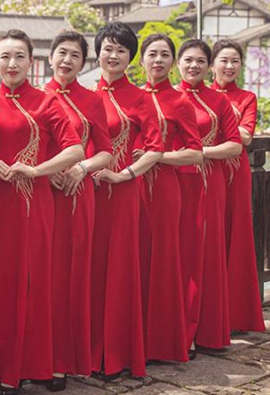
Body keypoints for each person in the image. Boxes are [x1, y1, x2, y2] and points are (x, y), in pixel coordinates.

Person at [0, 29, 83, 394]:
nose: (12, 64)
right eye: (5, 57)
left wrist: (37, 170)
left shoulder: (46, 102)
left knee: (36, 281)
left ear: (31, 62)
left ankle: (37, 364)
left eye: (19, 57)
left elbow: (75, 149)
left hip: (34, 203)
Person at [91, 21, 163, 379]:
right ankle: (83, 351)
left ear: (130, 58)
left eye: (121, 50)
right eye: (108, 47)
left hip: (120, 194)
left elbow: (155, 149)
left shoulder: (140, 98)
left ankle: (115, 354)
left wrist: (124, 175)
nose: (113, 55)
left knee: (118, 271)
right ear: (98, 52)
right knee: (86, 269)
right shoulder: (86, 95)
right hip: (84, 194)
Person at [42, 30, 112, 390]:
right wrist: (46, 171)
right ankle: (34, 357)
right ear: (50, 56)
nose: (67, 60)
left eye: (75, 55)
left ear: (83, 63)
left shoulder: (92, 100)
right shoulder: (35, 97)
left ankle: (62, 362)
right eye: (61, 53)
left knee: (71, 276)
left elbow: (106, 151)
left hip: (77, 193)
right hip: (40, 194)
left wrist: (82, 168)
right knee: (40, 277)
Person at [136, 34, 202, 363]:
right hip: (127, 188)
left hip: (163, 189)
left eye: (165, 55)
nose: (158, 60)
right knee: (134, 261)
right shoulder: (130, 97)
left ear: (173, 62)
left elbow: (194, 153)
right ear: (141, 59)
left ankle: (163, 341)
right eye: (152, 54)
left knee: (163, 262)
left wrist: (157, 156)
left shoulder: (179, 102)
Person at [175, 39, 242, 354]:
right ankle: (173, 330)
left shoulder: (218, 101)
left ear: (208, 65)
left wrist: (197, 152)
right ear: (178, 63)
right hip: (171, 182)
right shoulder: (164, 97)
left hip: (208, 182)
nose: (194, 66)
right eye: (188, 60)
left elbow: (235, 145)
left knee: (205, 254)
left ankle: (203, 331)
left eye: (201, 61)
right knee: (175, 255)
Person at [210, 39, 266, 334]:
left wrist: (213, 113)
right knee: (208, 236)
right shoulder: (198, 95)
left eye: (235, 61)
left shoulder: (246, 97)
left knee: (235, 235)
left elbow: (244, 137)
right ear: (211, 65)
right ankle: (209, 312)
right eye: (223, 60)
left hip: (234, 171)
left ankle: (235, 315)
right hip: (204, 170)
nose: (229, 66)